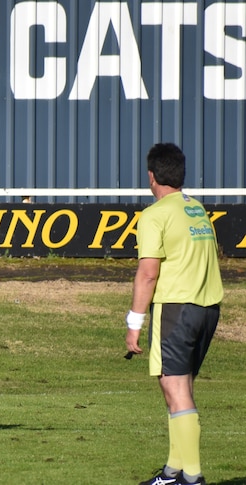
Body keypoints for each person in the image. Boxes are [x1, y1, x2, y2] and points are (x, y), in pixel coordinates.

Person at [125, 143, 223, 485]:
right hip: (208, 306)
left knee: (174, 387)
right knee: (180, 388)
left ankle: (192, 478)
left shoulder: (155, 215)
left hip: (177, 309)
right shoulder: (196, 209)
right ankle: (172, 472)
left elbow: (148, 272)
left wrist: (133, 324)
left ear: (151, 177)